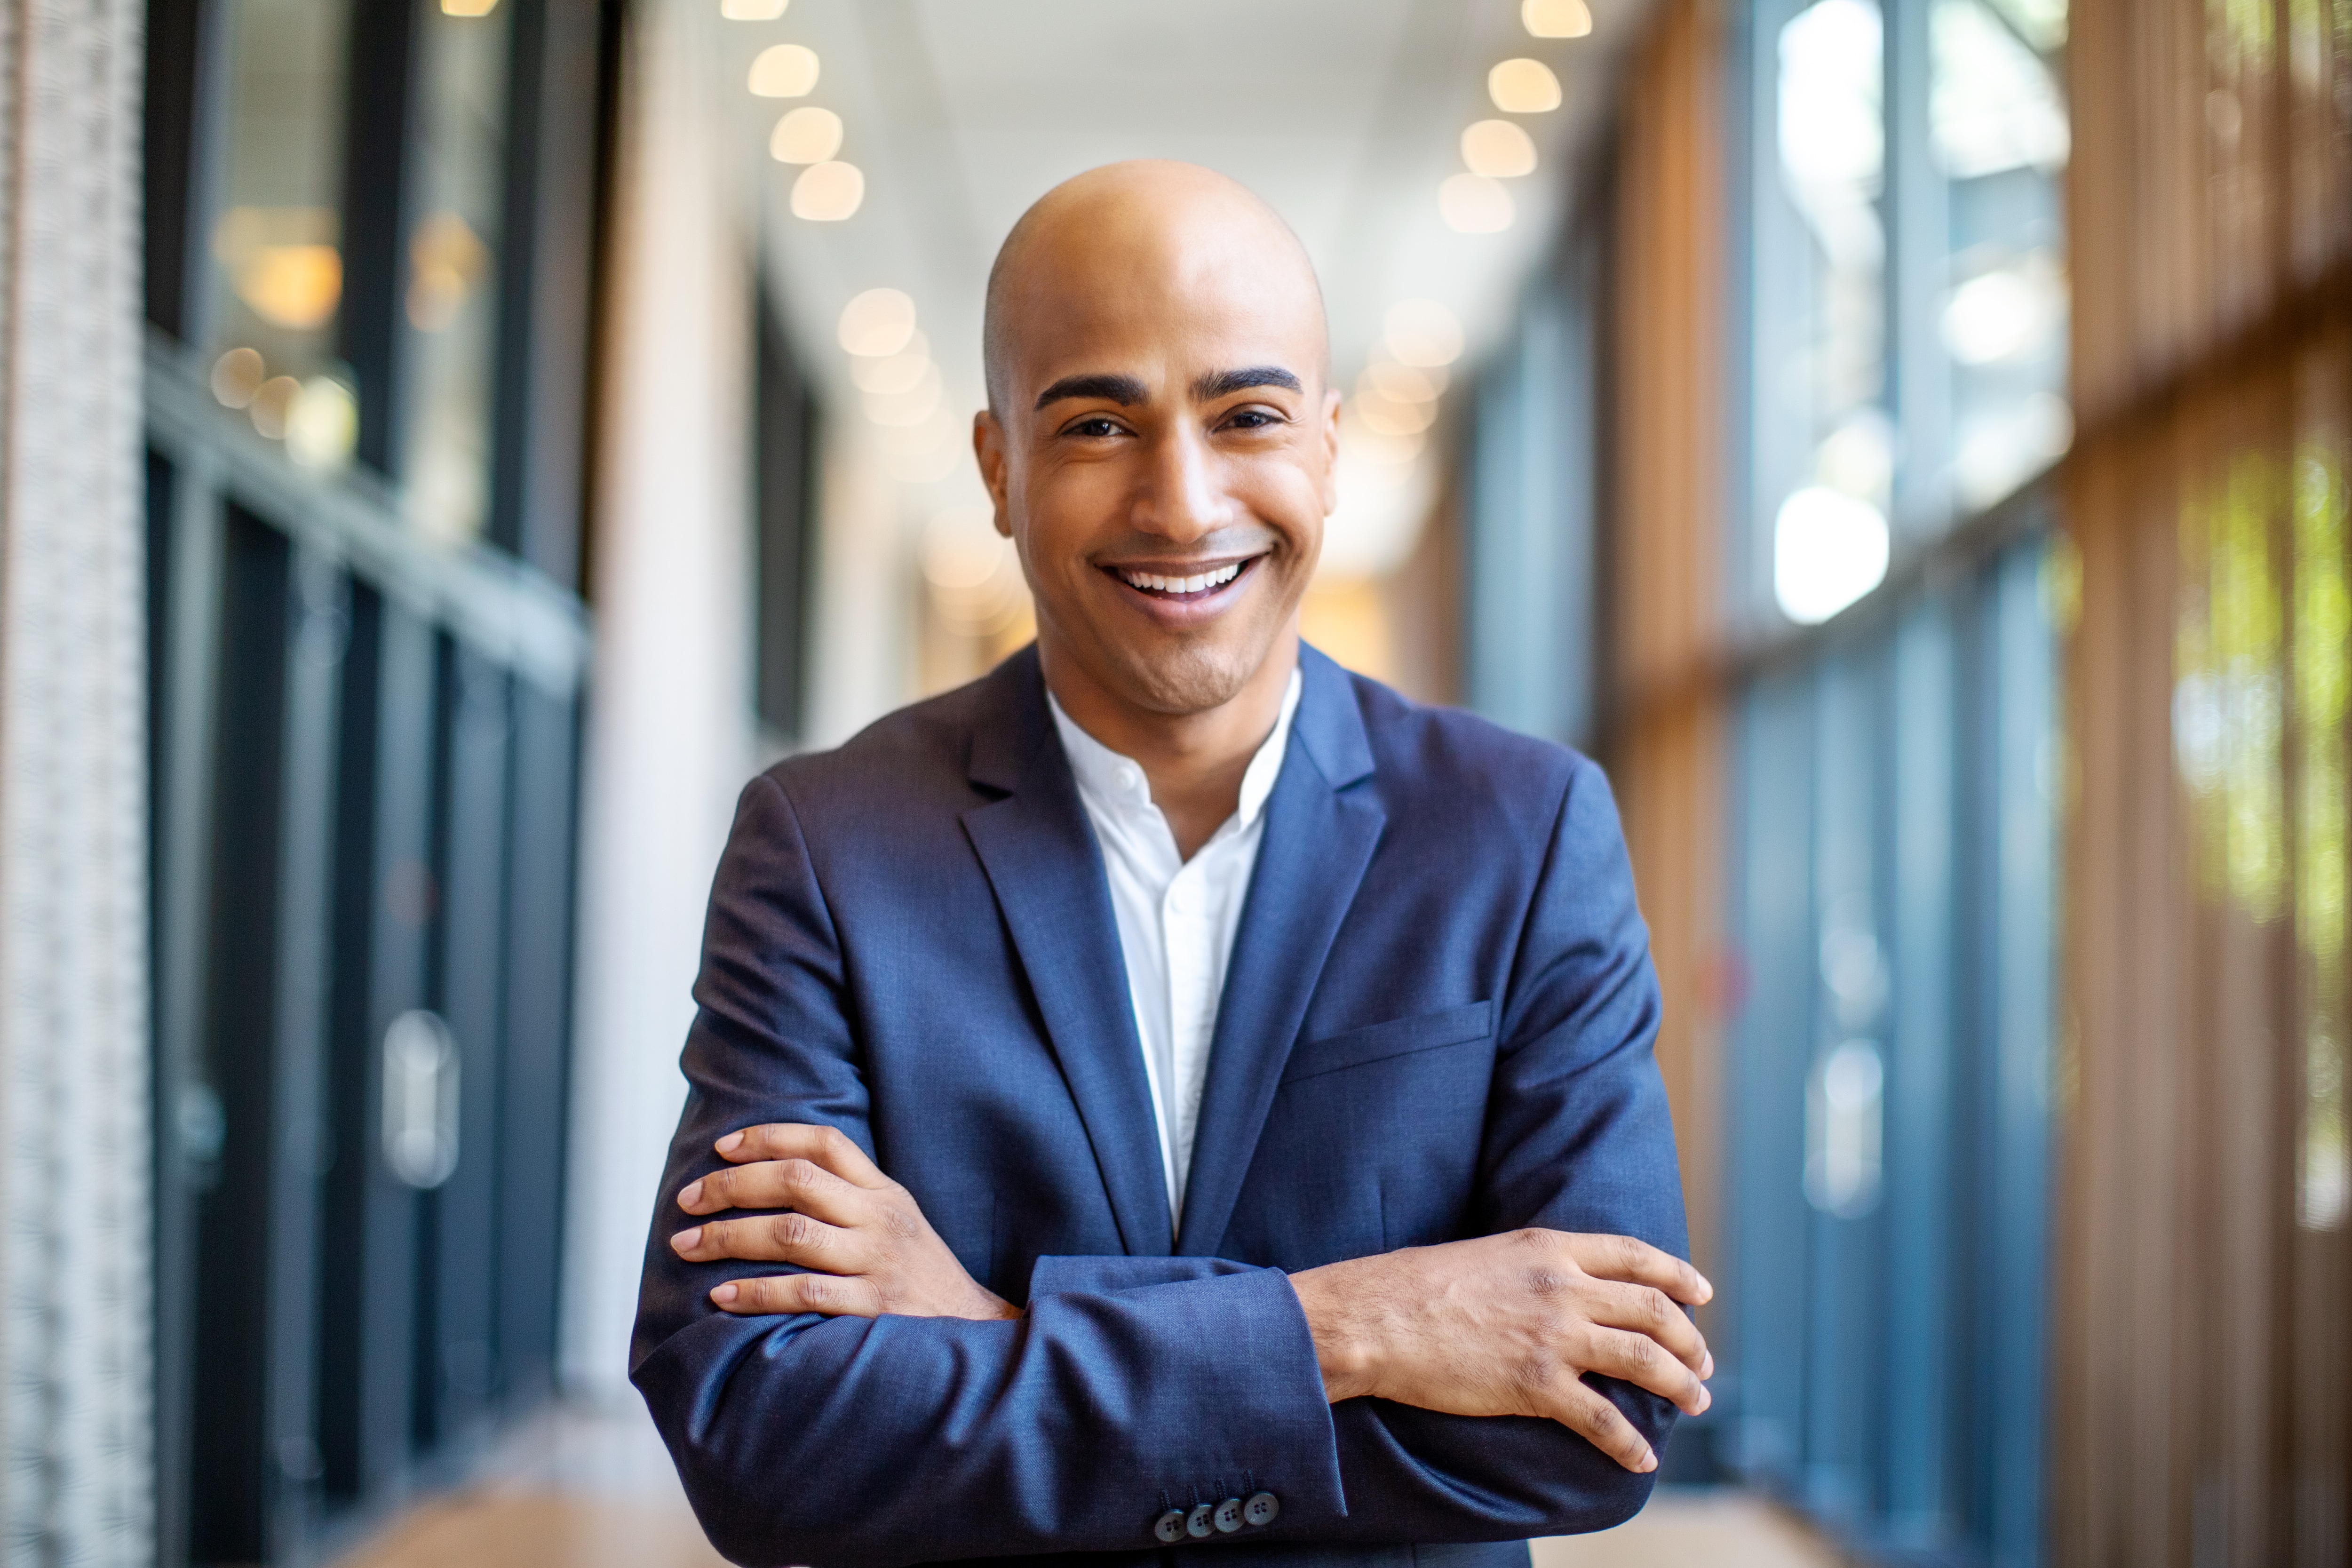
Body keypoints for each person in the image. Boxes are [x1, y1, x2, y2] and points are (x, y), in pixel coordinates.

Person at [632, 160, 1710, 1568]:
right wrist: (1362, 1328)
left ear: (1328, 446)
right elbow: (760, 1432)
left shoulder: (1523, 829)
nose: (1183, 504)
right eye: (1097, 423)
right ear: (999, 466)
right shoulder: (827, 846)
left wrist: (990, 1330)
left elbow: (1602, 1419)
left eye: (1247, 415)